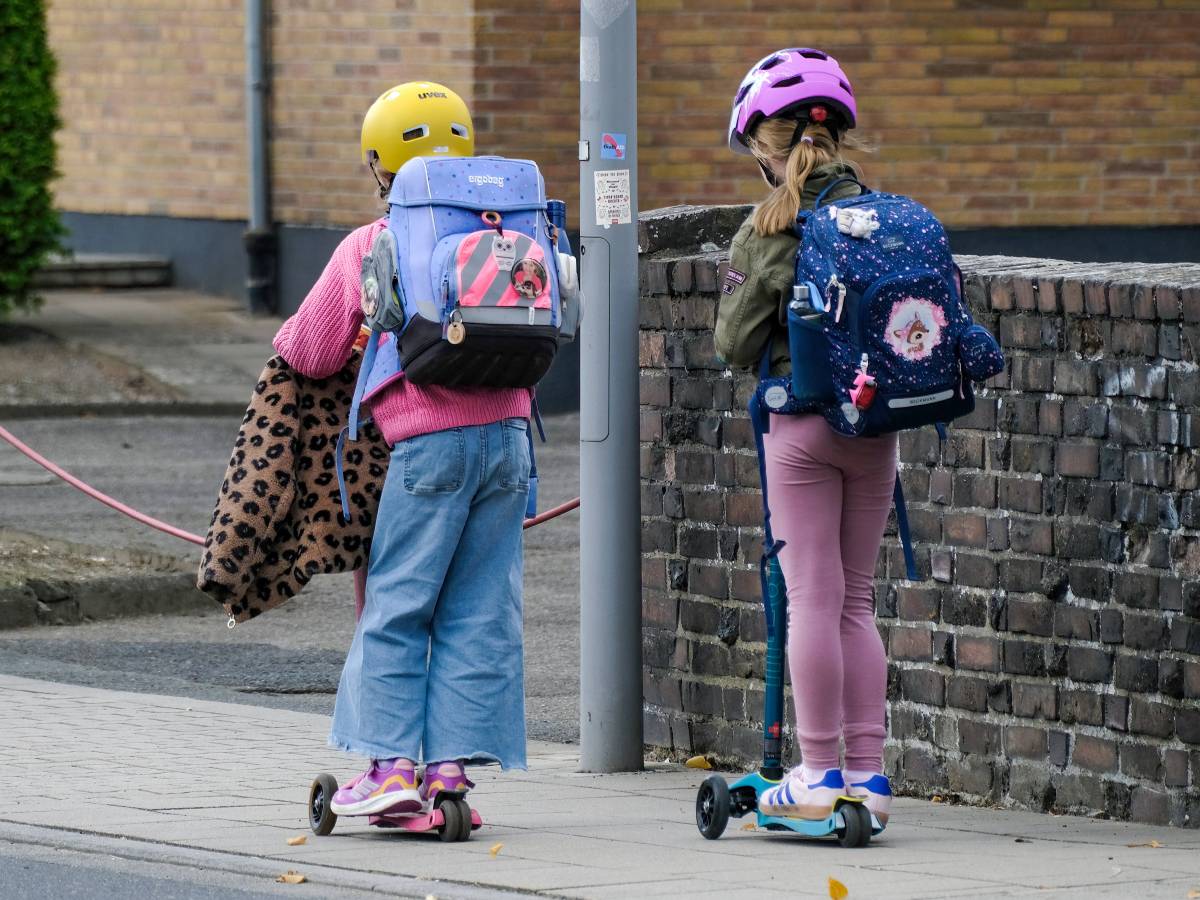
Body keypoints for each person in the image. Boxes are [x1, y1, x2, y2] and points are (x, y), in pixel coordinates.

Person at [272, 81, 533, 816]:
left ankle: (389, 770)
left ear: (380, 166)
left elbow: (308, 349)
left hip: (427, 451)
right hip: (509, 443)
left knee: (397, 605)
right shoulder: (515, 229)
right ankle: (447, 774)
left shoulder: (373, 241)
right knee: (479, 610)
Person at [715, 48, 895, 826]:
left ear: (765, 141)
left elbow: (730, 343)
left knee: (812, 601)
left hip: (801, 431)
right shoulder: (885, 216)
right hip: (878, 431)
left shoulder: (768, 229)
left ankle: (817, 772)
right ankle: (870, 777)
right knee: (857, 601)